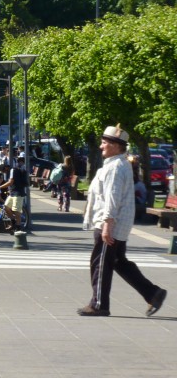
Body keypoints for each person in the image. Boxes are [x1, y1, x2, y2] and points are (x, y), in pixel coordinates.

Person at [79, 125, 166, 317]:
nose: (101, 146)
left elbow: (113, 196)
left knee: (100, 263)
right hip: (117, 222)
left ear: (116, 146)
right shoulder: (115, 164)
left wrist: (107, 224)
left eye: (104, 143)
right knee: (118, 261)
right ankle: (153, 293)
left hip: (110, 222)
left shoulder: (115, 167)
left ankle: (99, 304)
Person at [0, 161, 28, 231]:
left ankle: (18, 225)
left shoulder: (12, 170)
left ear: (5, 168)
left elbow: (10, 182)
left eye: (2, 171)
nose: (3, 172)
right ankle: (13, 222)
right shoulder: (11, 171)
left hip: (18, 193)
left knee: (16, 210)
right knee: (6, 207)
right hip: (12, 193)